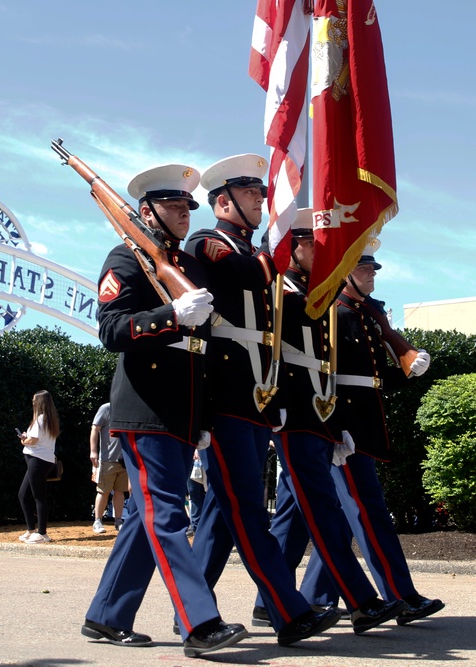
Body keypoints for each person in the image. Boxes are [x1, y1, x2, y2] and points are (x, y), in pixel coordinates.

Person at [82, 163, 247, 657]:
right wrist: (171, 315)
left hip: (183, 411)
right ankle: (199, 621)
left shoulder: (188, 267)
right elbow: (111, 330)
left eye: (187, 206)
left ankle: (107, 616)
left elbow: (202, 354)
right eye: (174, 206)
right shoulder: (126, 259)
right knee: (166, 514)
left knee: (142, 516)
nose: (184, 212)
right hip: (146, 406)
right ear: (146, 211)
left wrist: (202, 419)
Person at [183, 154, 340, 645]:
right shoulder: (207, 242)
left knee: (222, 513)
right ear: (224, 201)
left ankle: (191, 609)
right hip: (227, 394)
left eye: (262, 193)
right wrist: (278, 237)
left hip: (257, 394)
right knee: (248, 508)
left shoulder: (254, 249)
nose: (262, 201)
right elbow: (250, 278)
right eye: (253, 195)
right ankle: (287, 609)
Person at [255, 210, 407, 635]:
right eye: (314, 246)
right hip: (294, 413)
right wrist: (277, 406)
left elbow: (325, 364)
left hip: (319, 413)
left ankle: (274, 603)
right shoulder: (280, 290)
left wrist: (335, 420)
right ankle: (359, 601)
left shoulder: (311, 290)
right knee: (322, 511)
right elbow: (274, 355)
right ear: (293, 247)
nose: (323, 255)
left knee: (299, 513)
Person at [298, 238, 445, 625]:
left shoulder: (366, 313)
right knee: (367, 510)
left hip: (365, 421)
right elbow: (325, 375)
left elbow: (373, 378)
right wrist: (335, 427)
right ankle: (402, 595)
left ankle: (313, 596)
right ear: (345, 272)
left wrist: (405, 368)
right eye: (364, 268)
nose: (372, 273)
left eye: (373, 268)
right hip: (343, 425)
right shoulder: (335, 312)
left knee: (351, 514)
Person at [17, 390, 60, 544]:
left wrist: (23, 440)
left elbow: (33, 441)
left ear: (39, 402)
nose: (32, 402)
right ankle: (31, 530)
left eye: (34, 400)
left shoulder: (40, 420)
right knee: (23, 494)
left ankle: (42, 533)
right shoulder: (50, 420)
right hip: (43, 460)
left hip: (37, 460)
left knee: (38, 497)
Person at [89, 402, 127, 534]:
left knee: (120, 491)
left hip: (124, 459)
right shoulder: (106, 408)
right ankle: (97, 521)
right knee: (103, 491)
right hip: (107, 459)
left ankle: (118, 520)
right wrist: (93, 451)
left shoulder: (128, 408)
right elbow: (95, 429)